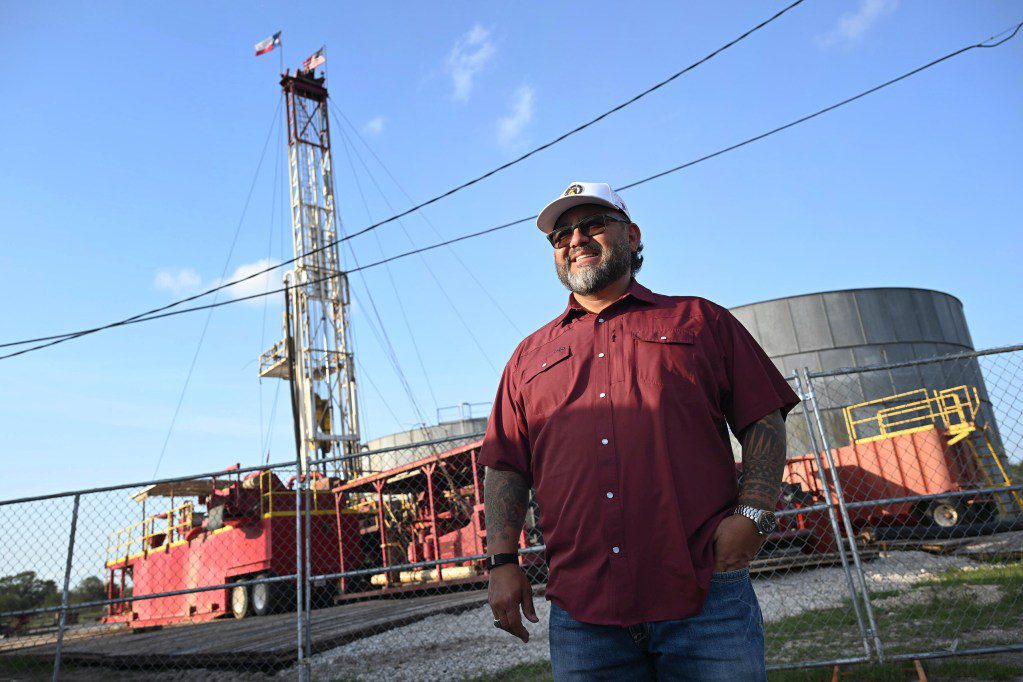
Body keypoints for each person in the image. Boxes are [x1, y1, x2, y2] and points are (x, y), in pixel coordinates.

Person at [479, 182, 800, 680]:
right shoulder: (527, 357)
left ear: (631, 234)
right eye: (561, 234)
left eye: (593, 225)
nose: (575, 239)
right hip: (584, 612)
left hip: (704, 597)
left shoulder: (700, 321)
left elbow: (763, 417)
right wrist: (501, 560)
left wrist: (754, 516)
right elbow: (505, 464)